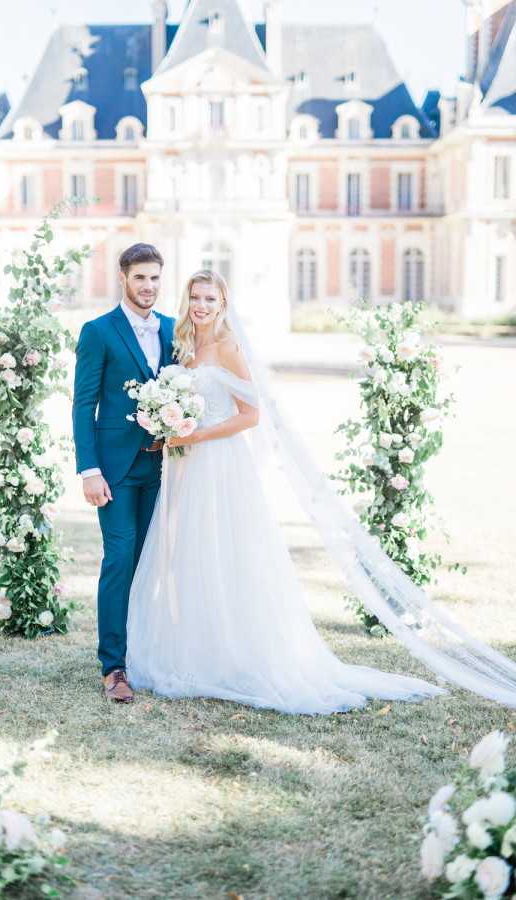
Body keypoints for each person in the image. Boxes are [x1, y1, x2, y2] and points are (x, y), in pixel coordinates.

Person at [125, 271, 443, 714]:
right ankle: (195, 650)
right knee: (190, 553)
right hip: (184, 468)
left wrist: (193, 436)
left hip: (218, 465)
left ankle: (235, 654)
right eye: (195, 297)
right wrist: (168, 425)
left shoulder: (229, 348)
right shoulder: (184, 347)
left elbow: (251, 414)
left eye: (210, 299)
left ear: (223, 304)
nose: (201, 306)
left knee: (226, 552)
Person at [72, 243, 175, 703]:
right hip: (114, 471)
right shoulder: (98, 331)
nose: (148, 286)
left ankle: (150, 654)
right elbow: (83, 404)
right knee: (120, 560)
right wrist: (89, 470)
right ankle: (113, 666)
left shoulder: (174, 330)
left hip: (164, 468)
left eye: (154, 278)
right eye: (140, 278)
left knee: (155, 562)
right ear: (123, 278)